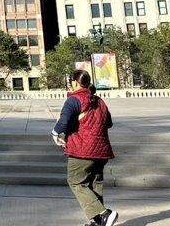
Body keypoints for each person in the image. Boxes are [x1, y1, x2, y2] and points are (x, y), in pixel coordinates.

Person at [52, 70, 118, 226]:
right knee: (95, 184)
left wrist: (55, 133)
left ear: (75, 82)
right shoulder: (100, 101)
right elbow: (108, 123)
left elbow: (64, 122)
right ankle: (98, 222)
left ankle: (104, 213)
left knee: (75, 181)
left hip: (82, 150)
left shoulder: (74, 100)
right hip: (101, 151)